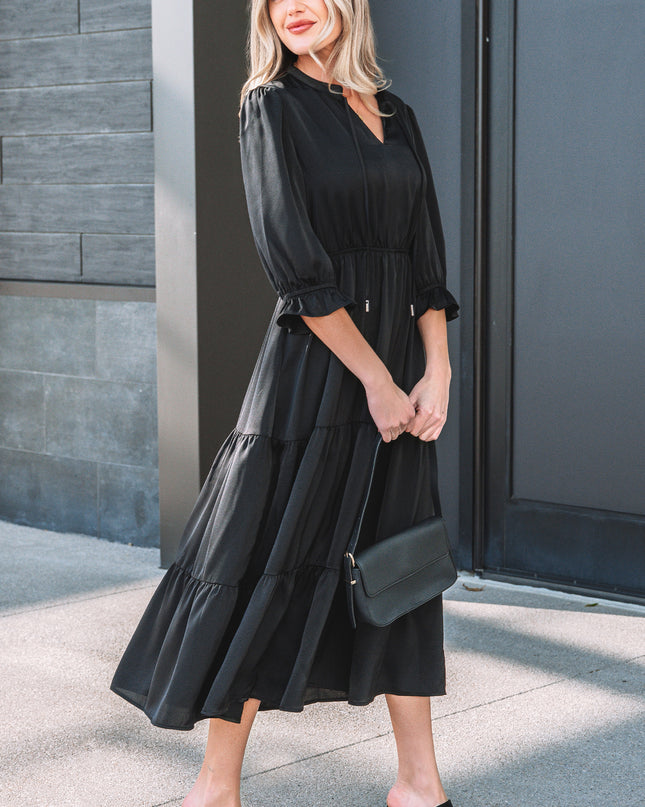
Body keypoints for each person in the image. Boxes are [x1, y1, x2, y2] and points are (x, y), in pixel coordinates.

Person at [110, 1, 459, 806]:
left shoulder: (394, 112)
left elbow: (424, 259)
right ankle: (215, 785)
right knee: (266, 559)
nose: (292, 6)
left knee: (402, 565)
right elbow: (293, 263)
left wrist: (435, 370)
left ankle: (417, 781)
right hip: (318, 368)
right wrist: (373, 378)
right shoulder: (268, 103)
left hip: (401, 377)